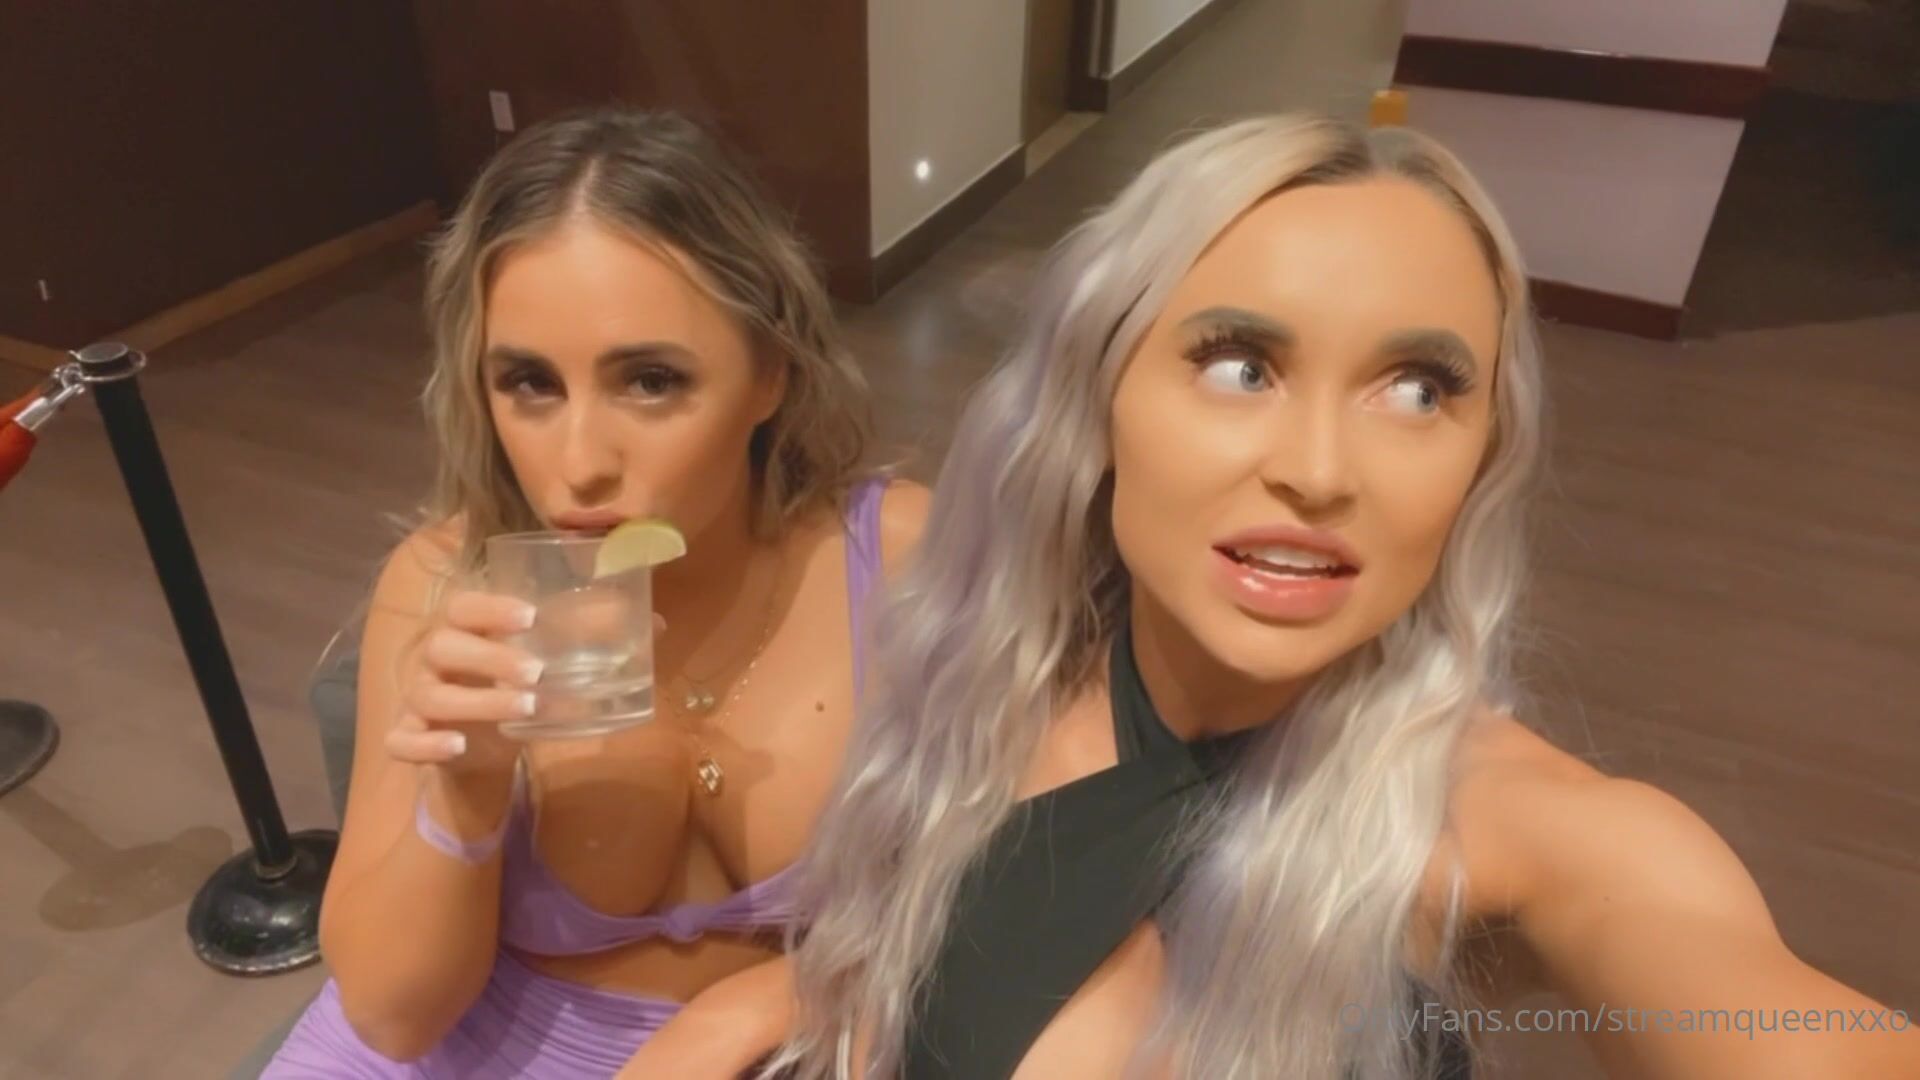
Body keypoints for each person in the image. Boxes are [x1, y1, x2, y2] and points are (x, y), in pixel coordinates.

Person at [631, 114, 1920, 1079]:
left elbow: (1773, 1018)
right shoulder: (996, 666)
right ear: (1098, 395)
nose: (1318, 471)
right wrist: (769, 1000)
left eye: (1417, 390)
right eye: (1240, 364)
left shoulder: (1508, 831)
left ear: (1482, 456)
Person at [264, 107, 928, 1077]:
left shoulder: (901, 560)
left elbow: (1033, 896)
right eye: (530, 384)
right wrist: (465, 798)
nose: (578, 467)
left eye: (650, 381)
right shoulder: (447, 584)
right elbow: (394, 1019)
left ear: (770, 373)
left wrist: (753, 1006)